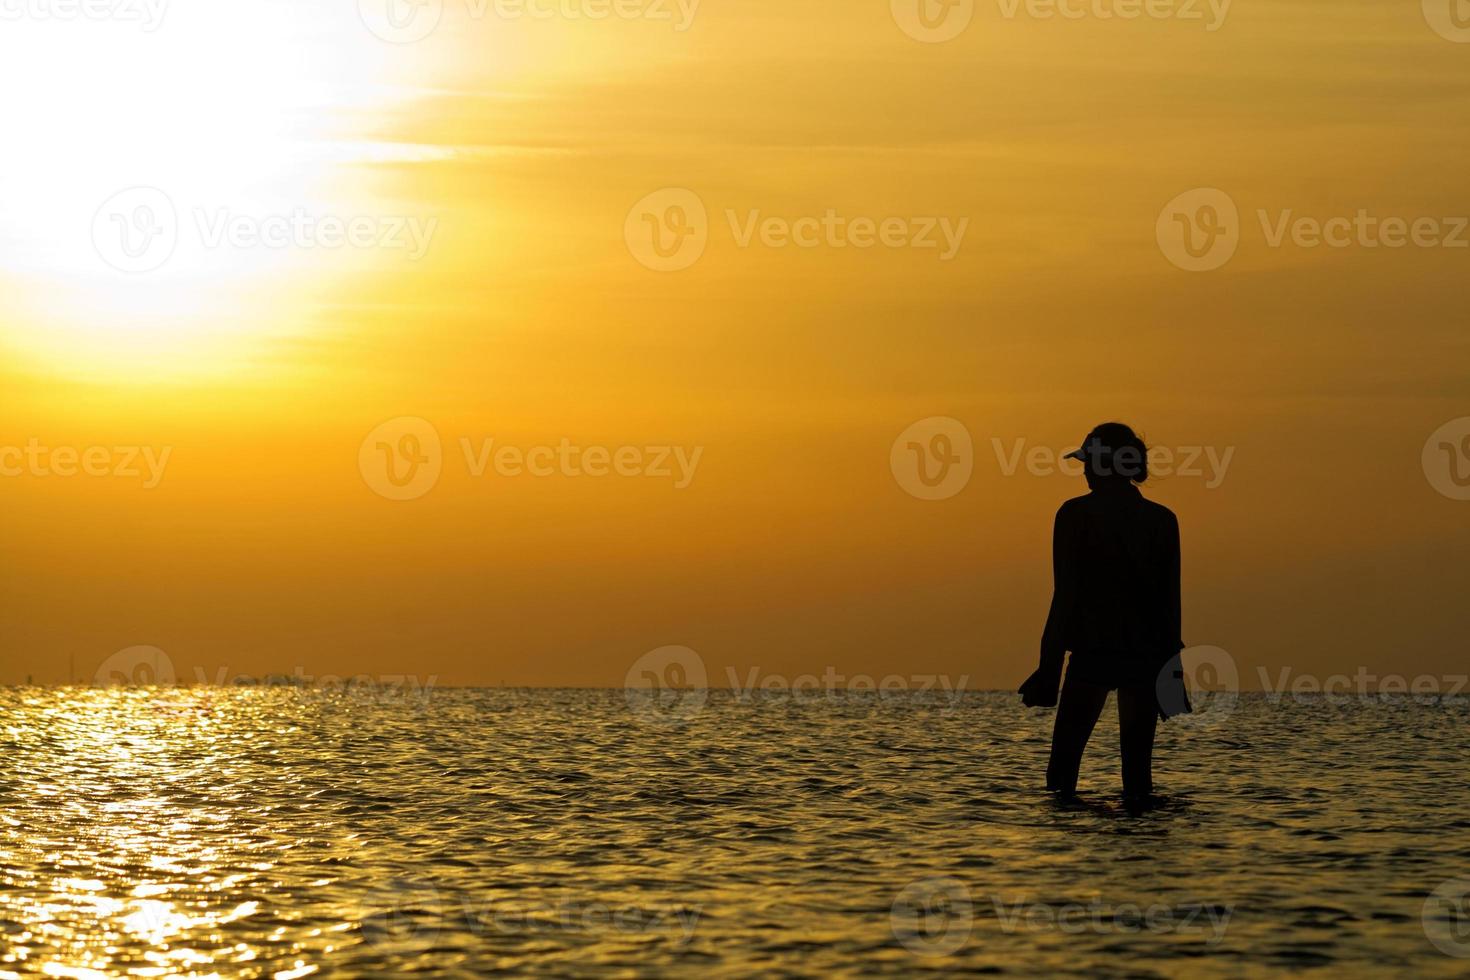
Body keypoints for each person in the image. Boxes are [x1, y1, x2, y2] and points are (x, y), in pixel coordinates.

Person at [1018, 422, 1190, 803]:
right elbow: (1169, 604)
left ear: (1104, 464)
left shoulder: (1075, 515)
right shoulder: (1162, 520)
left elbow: (1065, 595)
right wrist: (1171, 673)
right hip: (1146, 659)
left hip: (1094, 654)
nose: (1084, 470)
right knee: (1138, 776)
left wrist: (1049, 668)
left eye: (1089, 462)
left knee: (1062, 772)